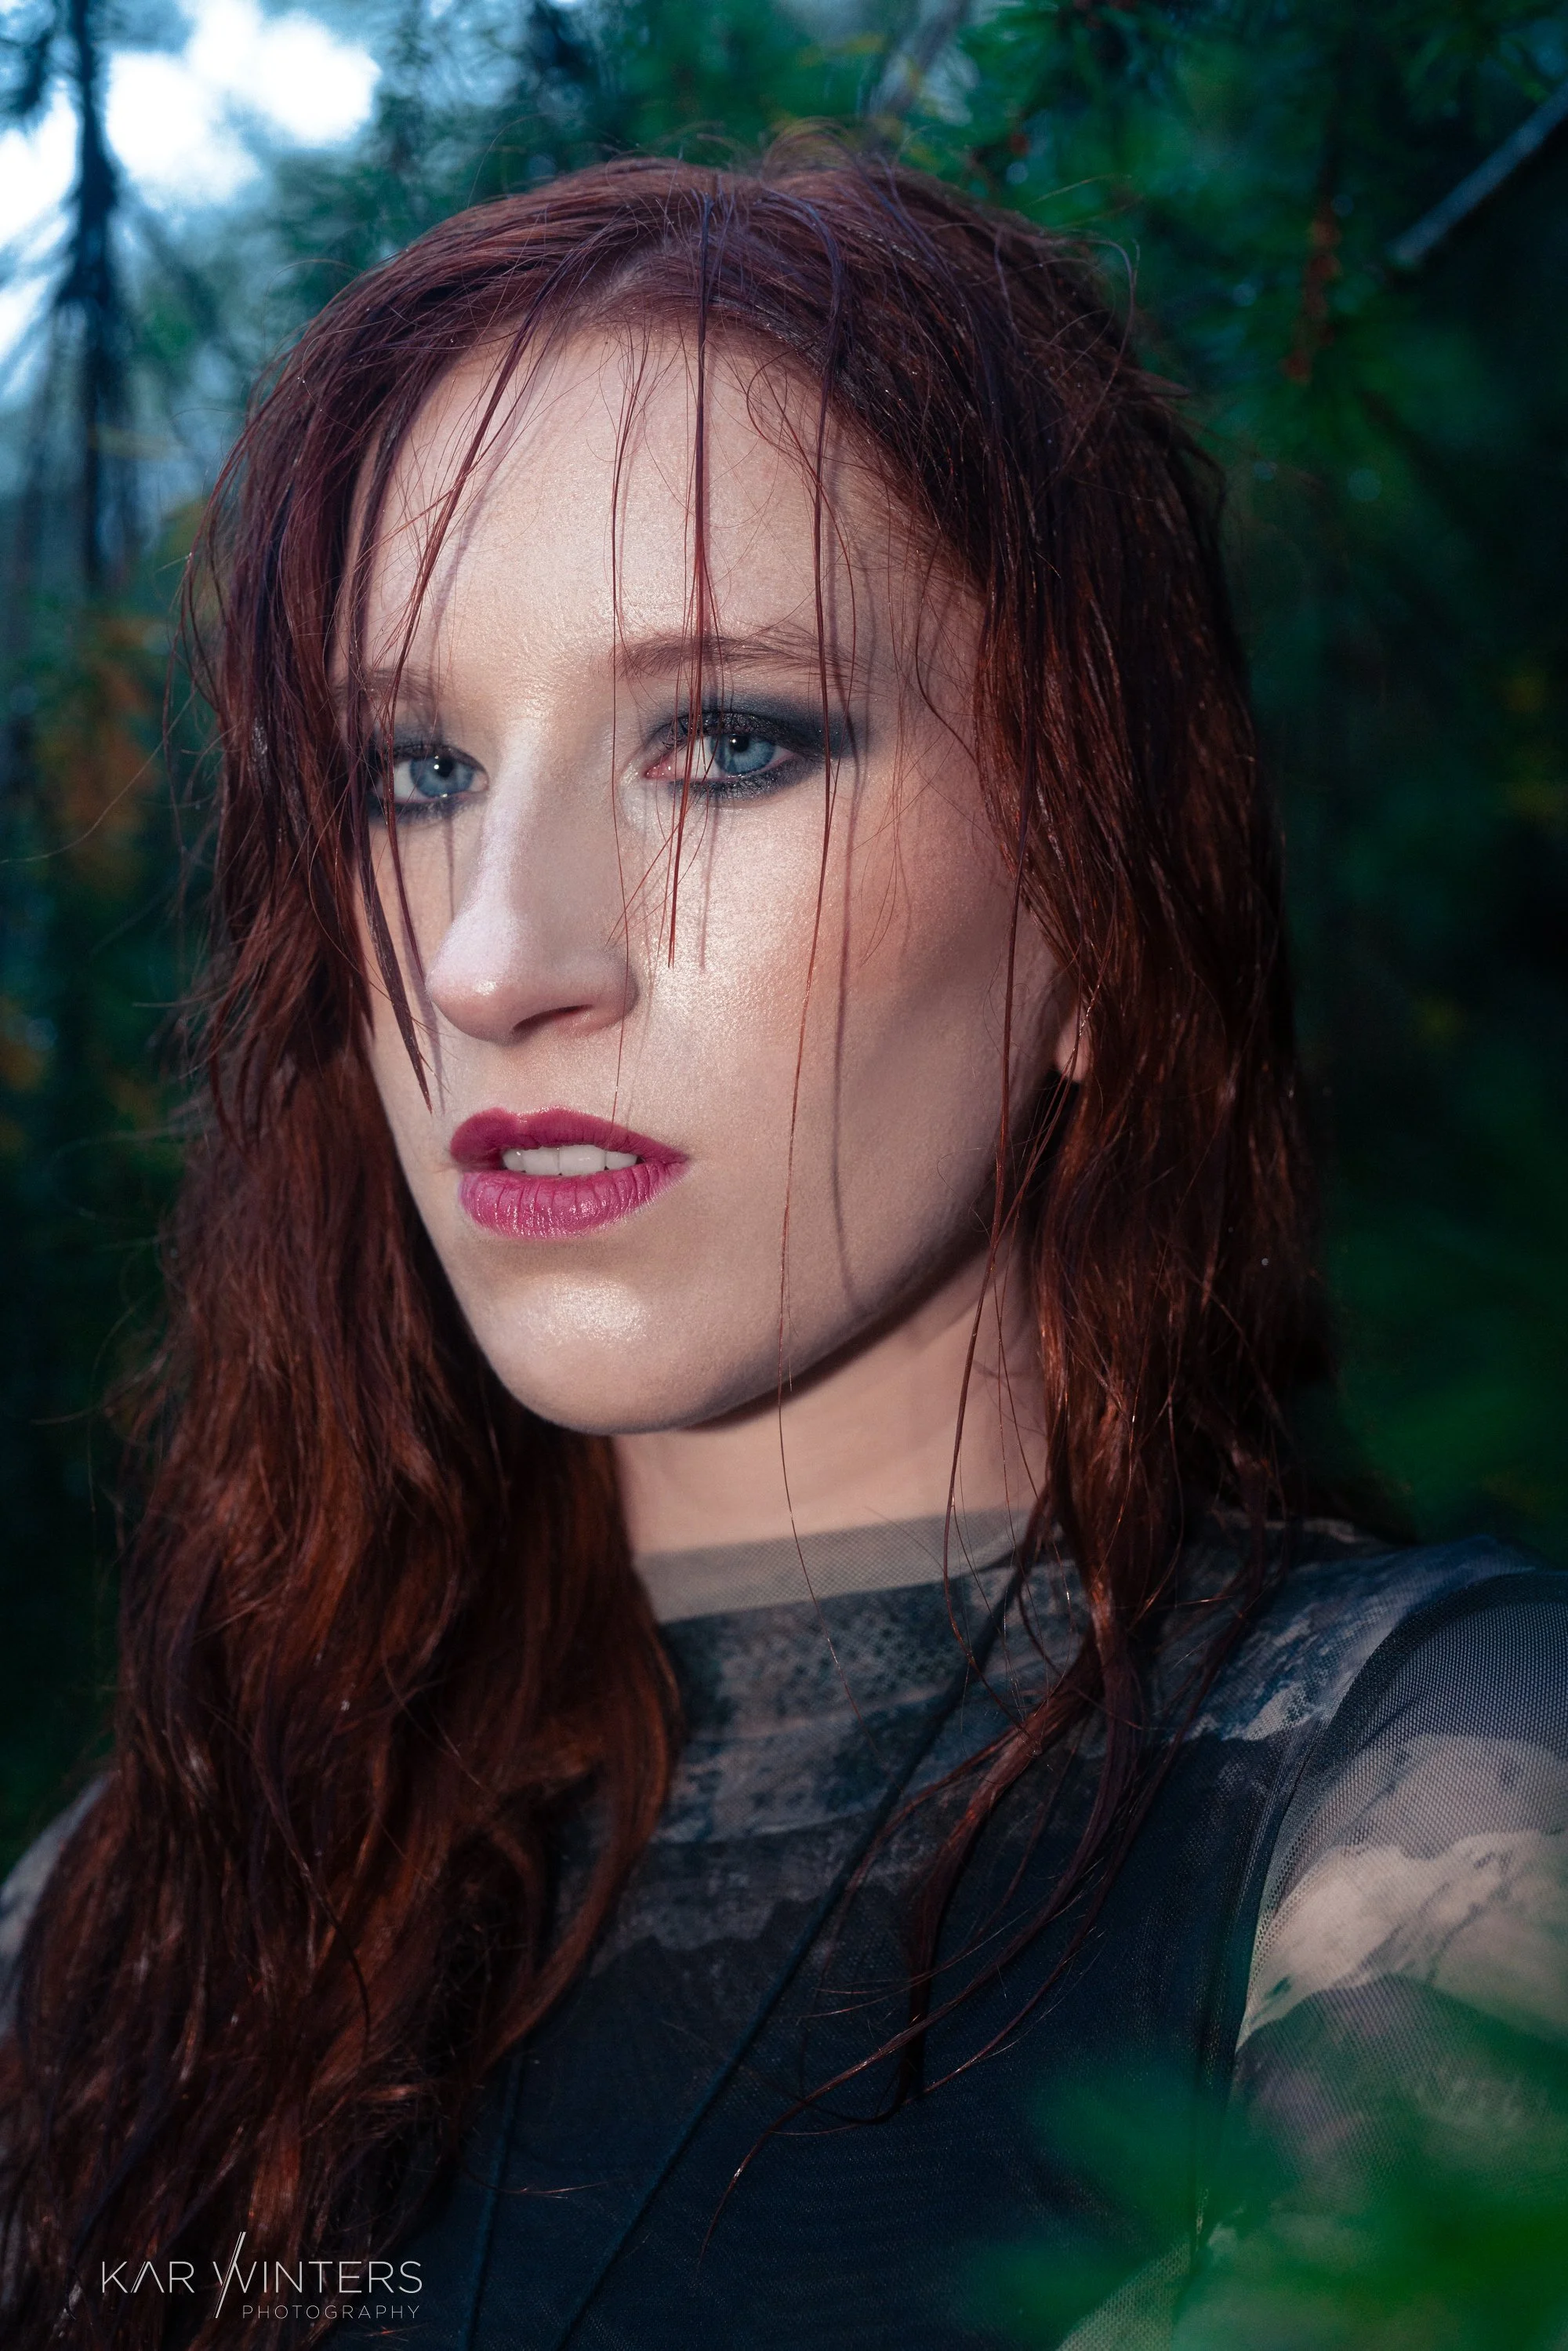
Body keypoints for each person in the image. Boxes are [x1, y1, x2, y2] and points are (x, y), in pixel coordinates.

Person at [1, 151, 1563, 2351]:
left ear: (1099, 889)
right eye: (413, 771)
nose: (492, 959)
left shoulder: (1436, 1801)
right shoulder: (133, 1916)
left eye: (728, 741)